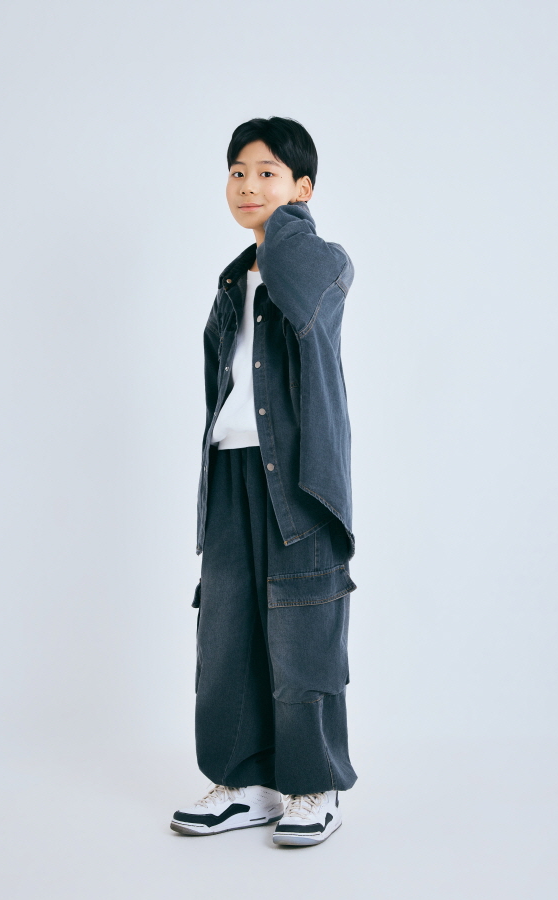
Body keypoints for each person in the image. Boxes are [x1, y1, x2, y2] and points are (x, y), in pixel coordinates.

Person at [170, 117, 358, 847]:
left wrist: (285, 222)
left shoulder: (321, 263)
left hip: (301, 483)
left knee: (303, 630)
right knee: (226, 631)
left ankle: (314, 787)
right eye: (238, 172)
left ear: (303, 188)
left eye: (268, 173)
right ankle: (244, 784)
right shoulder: (231, 281)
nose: (248, 186)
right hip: (231, 470)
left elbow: (292, 280)